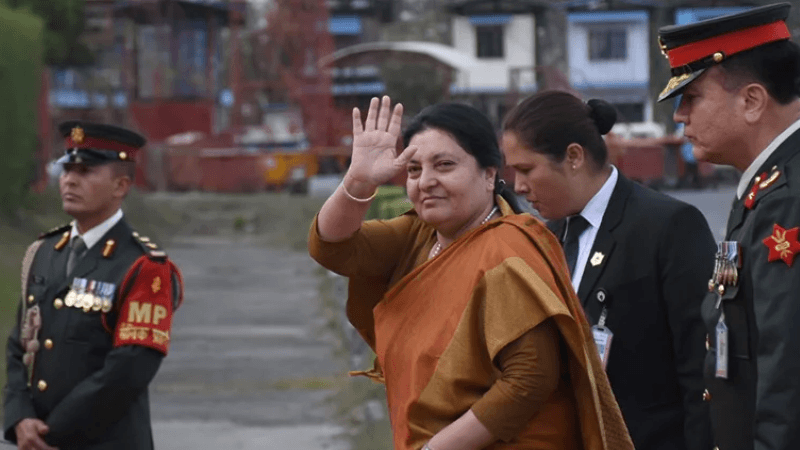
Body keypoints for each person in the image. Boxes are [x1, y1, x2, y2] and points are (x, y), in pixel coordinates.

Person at [308, 95, 633, 450]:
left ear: (489, 174)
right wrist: (358, 181)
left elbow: (530, 377)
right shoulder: (418, 236)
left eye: (444, 165)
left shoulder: (509, 249)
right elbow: (332, 247)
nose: (426, 181)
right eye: (414, 170)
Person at [501, 91, 716, 450]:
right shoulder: (547, 237)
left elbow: (700, 371)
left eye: (526, 170)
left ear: (574, 157)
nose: (519, 186)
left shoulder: (667, 227)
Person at [659, 3, 800, 450]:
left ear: (752, 101)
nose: (679, 115)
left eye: (693, 97)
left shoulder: (788, 197)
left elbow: (787, 365)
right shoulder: (764, 186)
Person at [3, 121, 184, 450]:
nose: (69, 180)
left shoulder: (144, 267)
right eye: (67, 169)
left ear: (120, 186)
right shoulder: (44, 252)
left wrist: (50, 433)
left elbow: (128, 371)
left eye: (85, 171)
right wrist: (20, 417)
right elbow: (21, 345)